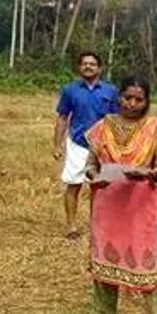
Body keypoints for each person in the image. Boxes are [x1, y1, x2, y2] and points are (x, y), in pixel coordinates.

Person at [83, 75, 157, 314]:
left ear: (146, 102)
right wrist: (93, 176)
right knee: (104, 258)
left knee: (148, 260)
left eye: (138, 99)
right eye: (127, 97)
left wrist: (149, 174)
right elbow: (90, 165)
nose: (132, 104)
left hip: (141, 202)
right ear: (118, 96)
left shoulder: (156, 128)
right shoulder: (102, 127)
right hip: (107, 201)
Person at [54, 52, 118, 238]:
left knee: (100, 188)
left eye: (92, 64)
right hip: (77, 144)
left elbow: (116, 120)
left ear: (99, 68)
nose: (88, 66)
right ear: (79, 67)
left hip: (102, 147)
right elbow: (63, 118)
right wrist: (57, 145)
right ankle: (71, 226)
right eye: (84, 64)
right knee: (73, 185)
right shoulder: (70, 90)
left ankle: (99, 226)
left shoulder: (110, 91)